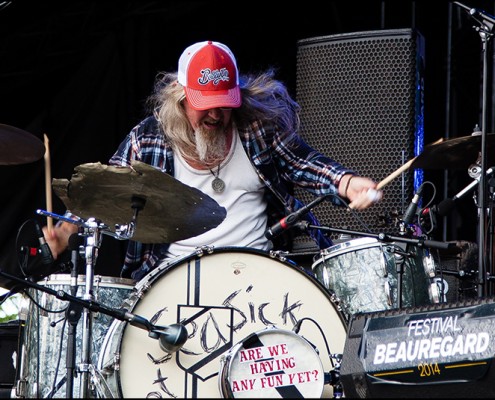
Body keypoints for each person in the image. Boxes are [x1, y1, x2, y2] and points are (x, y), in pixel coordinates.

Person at [44, 40, 383, 281]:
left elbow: (305, 163)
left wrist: (348, 183)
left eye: (225, 102)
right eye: (206, 103)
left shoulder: (256, 128)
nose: (217, 114)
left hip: (259, 272)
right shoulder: (149, 137)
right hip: (172, 278)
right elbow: (104, 192)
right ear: (181, 98)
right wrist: (64, 230)